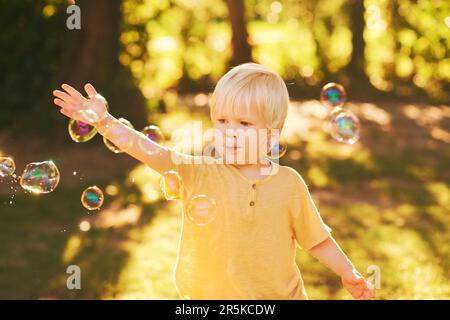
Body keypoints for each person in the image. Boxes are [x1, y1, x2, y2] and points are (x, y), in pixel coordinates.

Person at [53, 63, 375, 300]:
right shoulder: (200, 172)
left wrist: (347, 272)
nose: (230, 131)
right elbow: (150, 151)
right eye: (222, 120)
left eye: (244, 123)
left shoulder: (289, 185)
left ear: (271, 135)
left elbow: (316, 239)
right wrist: (105, 122)